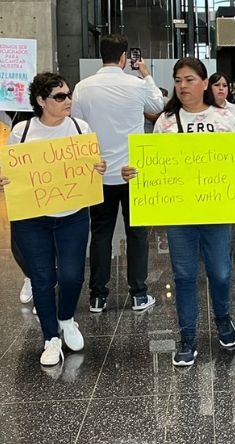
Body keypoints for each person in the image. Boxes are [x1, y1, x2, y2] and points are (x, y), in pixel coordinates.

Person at [122, 58, 235, 366]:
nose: (183, 86)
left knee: (221, 273)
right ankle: (187, 338)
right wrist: (135, 172)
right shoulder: (166, 122)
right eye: (178, 80)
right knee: (184, 276)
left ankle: (224, 321)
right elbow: (153, 163)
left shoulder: (224, 118)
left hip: (216, 211)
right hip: (180, 214)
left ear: (204, 83)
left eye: (189, 79)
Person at [0, 72, 106, 366]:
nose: (68, 100)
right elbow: (4, 169)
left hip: (73, 215)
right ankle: (50, 338)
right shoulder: (23, 131)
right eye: (60, 96)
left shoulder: (80, 129)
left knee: (71, 275)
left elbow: (93, 164)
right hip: (32, 218)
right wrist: (1, 178)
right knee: (43, 278)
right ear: (41, 101)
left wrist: (98, 168)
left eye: (68, 95)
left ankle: (66, 318)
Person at [70, 34, 164, 314]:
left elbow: (77, 127)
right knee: (137, 235)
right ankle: (138, 295)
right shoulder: (136, 84)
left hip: (99, 173)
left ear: (102, 55)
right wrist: (146, 74)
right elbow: (158, 107)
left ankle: (98, 297)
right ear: (125, 57)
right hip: (133, 173)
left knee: (100, 235)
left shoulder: (82, 88)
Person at [0, 53, 34, 306]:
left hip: (53, 190)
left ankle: (46, 278)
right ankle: (31, 276)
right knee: (21, 239)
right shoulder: (17, 118)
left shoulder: (67, 121)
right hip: (23, 188)